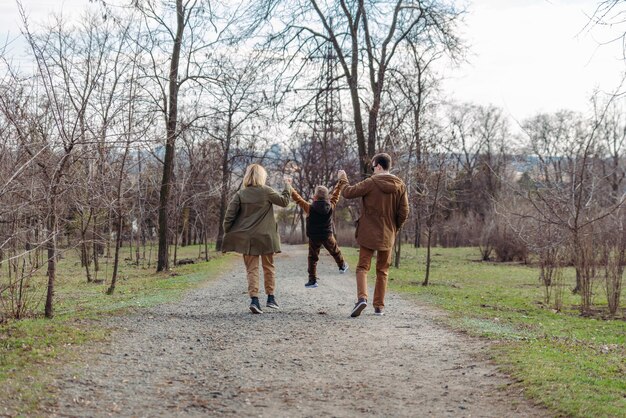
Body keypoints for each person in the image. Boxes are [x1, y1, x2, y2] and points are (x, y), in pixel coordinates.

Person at [339, 153, 409, 317]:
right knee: (382, 270)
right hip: (388, 234)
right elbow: (404, 211)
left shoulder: (371, 182)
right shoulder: (400, 185)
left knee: (363, 267)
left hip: (368, 233)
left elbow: (348, 192)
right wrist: (394, 228)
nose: (372, 171)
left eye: (372, 167)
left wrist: (343, 178)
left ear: (378, 166)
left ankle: (362, 298)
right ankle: (379, 307)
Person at [221, 164, 291, 314]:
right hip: (266, 237)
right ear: (262, 176)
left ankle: (254, 300)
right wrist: (287, 185)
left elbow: (229, 217)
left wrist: (229, 233)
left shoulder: (241, 194)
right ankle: (271, 298)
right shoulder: (266, 191)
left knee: (251, 269)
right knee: (268, 267)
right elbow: (284, 202)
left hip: (248, 239)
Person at [287, 176, 349, 288]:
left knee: (312, 258)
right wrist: (339, 183)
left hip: (314, 236)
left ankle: (312, 280)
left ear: (314, 197)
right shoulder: (331, 205)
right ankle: (342, 266)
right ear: (327, 197)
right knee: (335, 251)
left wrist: (290, 187)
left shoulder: (309, 207)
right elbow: (336, 195)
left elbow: (298, 199)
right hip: (327, 235)